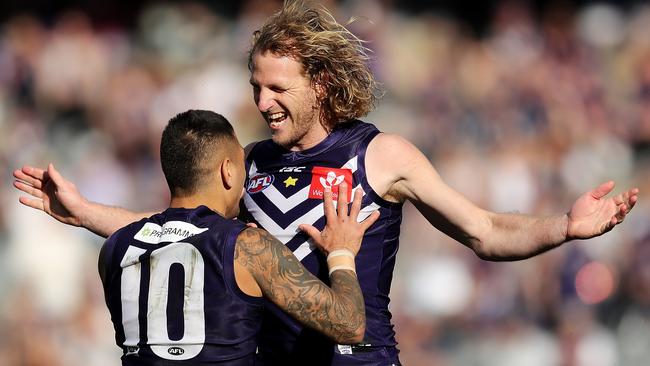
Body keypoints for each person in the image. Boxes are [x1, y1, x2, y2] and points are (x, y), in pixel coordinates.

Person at [13, 1, 639, 365]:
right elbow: (185, 234)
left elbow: (485, 231)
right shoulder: (246, 163)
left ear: (323, 83)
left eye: (278, 88)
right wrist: (83, 210)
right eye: (256, 86)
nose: (262, 102)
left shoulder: (380, 153)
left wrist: (565, 227)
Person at [91, 109, 379, 364]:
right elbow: (349, 324)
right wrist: (341, 252)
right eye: (243, 165)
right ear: (228, 171)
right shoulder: (247, 247)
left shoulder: (114, 248)